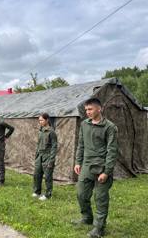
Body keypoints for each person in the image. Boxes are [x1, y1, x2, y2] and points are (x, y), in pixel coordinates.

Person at [72, 98, 118, 238]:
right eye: (86, 110)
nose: (88, 112)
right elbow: (81, 145)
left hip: (102, 168)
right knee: (81, 194)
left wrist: (106, 172)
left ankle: (99, 228)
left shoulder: (110, 127)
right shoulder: (84, 124)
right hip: (86, 165)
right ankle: (87, 218)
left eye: (90, 109)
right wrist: (78, 162)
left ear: (100, 108)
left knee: (100, 198)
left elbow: (112, 151)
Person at [32, 113, 58, 201]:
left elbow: (54, 146)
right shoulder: (41, 130)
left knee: (47, 176)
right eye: (39, 120)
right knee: (37, 174)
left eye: (42, 120)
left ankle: (48, 194)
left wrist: (51, 160)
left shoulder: (51, 131)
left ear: (47, 120)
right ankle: (37, 191)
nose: (40, 122)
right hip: (40, 155)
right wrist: (36, 156)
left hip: (48, 156)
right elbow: (39, 144)